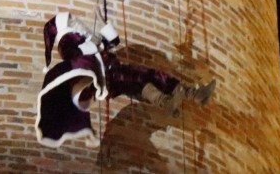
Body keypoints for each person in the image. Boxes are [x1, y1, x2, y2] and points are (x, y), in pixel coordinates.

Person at [35, 12, 216, 148]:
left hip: (112, 72)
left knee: (147, 79)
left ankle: (189, 95)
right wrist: (97, 41)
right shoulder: (68, 42)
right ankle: (174, 99)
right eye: (71, 20)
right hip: (108, 75)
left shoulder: (79, 38)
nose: (77, 21)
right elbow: (83, 59)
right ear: (64, 26)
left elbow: (111, 43)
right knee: (143, 77)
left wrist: (104, 33)